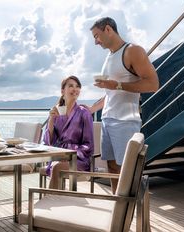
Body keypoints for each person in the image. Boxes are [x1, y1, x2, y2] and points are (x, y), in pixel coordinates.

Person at [89, 17, 159, 193]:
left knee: (130, 171)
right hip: (107, 119)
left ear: (108, 30)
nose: (95, 42)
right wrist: (90, 110)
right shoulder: (109, 56)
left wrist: (118, 85)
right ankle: (117, 207)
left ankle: (136, 211)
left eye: (97, 36)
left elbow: (153, 84)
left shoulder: (132, 51)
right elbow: (111, 93)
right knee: (112, 168)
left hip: (125, 122)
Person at [43, 75, 94, 189]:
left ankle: (51, 200)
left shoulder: (84, 113)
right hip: (58, 155)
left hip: (78, 159)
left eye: (77, 86)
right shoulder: (56, 111)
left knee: (57, 168)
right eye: (71, 86)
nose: (75, 89)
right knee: (57, 165)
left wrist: (70, 156)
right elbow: (48, 141)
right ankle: (56, 201)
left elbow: (88, 145)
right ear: (62, 91)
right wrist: (51, 119)